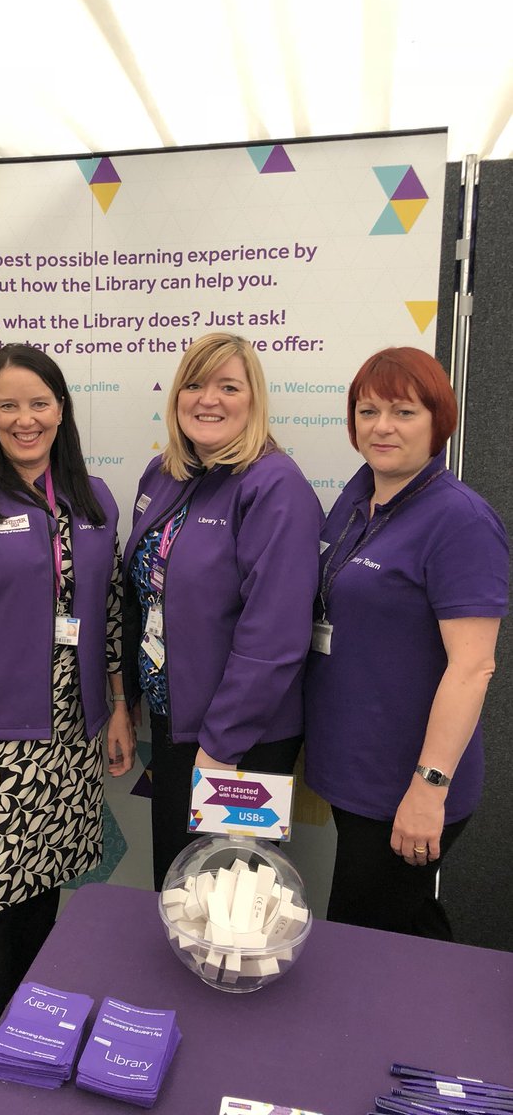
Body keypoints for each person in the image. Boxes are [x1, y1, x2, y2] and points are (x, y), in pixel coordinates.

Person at [0, 343, 134, 1081]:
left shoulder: (95, 499)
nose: (24, 418)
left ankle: (31, 1049)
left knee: (43, 895)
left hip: (71, 739)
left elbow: (107, 614)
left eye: (38, 402)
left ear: (62, 410)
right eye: (8, 404)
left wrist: (114, 708)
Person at [304, 346, 508, 939]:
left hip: (406, 782)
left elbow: (474, 667)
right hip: (351, 768)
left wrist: (428, 789)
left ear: (438, 421)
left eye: (403, 412)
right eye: (368, 411)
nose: (382, 427)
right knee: (405, 923)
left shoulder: (461, 521)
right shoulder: (357, 496)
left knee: (360, 940)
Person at [122, 332, 322, 889]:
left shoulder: (275, 486)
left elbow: (275, 636)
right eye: (194, 384)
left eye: (227, 386)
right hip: (175, 724)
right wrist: (126, 700)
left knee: (232, 902)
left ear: (253, 399)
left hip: (242, 742)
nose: (207, 399)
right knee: (180, 887)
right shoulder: (163, 475)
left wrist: (219, 747)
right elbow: (142, 594)